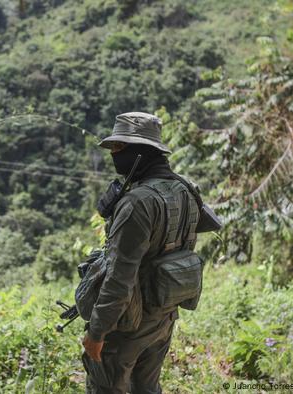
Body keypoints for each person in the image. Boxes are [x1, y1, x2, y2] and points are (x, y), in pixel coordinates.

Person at [81, 111, 201, 394]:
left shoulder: (137, 203)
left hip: (127, 326)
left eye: (119, 147)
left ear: (140, 153)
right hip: (163, 317)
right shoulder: (187, 191)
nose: (114, 154)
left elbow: (119, 277)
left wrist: (97, 331)